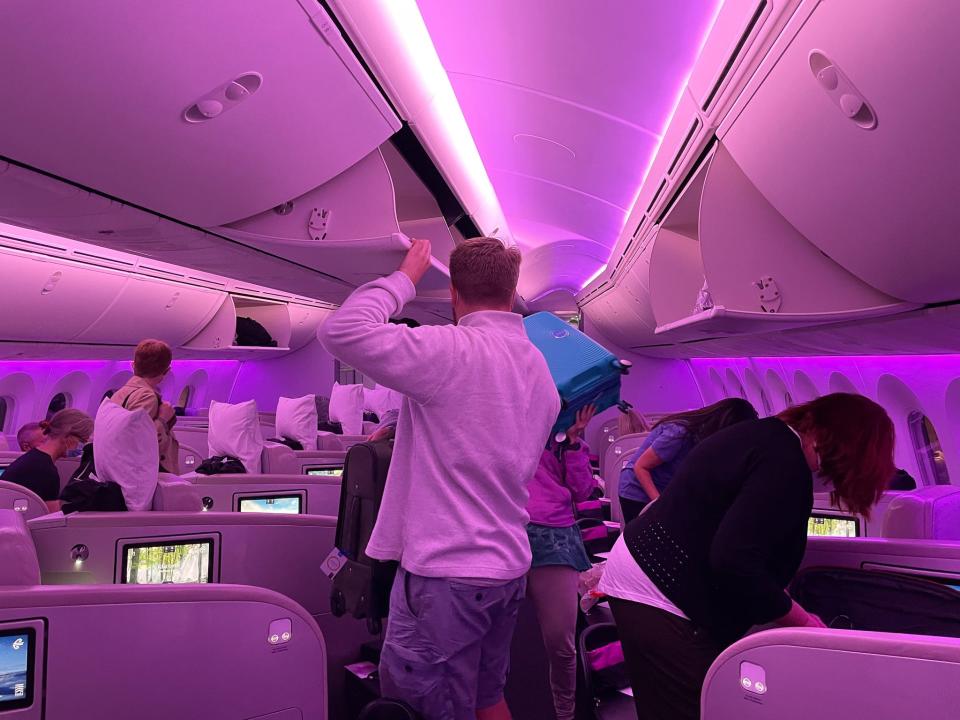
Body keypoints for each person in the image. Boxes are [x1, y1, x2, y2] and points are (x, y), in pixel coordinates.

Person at [318, 237, 559, 720]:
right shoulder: (539, 368)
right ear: (511, 294)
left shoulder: (451, 350)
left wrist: (402, 279)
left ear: (454, 294)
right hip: (506, 568)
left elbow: (342, 331)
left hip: (447, 575)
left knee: (425, 708)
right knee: (488, 696)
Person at [599, 393, 895, 720]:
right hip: (657, 590)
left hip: (646, 574)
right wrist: (806, 622)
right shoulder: (785, 463)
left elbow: (739, 538)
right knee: (693, 708)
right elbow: (733, 560)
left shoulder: (767, 437)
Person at [525, 404, 597, 720]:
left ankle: (564, 714)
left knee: (560, 642)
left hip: (553, 537)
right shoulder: (496, 420)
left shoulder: (561, 434)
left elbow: (583, 492)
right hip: (502, 533)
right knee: (495, 641)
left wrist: (573, 441)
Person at [617, 399, 758, 524]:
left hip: (663, 490)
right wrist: (660, 506)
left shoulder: (704, 438)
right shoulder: (679, 432)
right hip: (636, 490)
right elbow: (641, 467)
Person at [110, 339, 180, 474]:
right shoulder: (147, 397)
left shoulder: (118, 394)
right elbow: (142, 441)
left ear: (133, 365)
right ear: (167, 370)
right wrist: (163, 420)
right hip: (144, 475)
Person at [3, 409, 93, 512]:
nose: (82, 446)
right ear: (69, 437)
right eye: (82, 441)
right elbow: (47, 518)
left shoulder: (34, 459)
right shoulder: (46, 471)